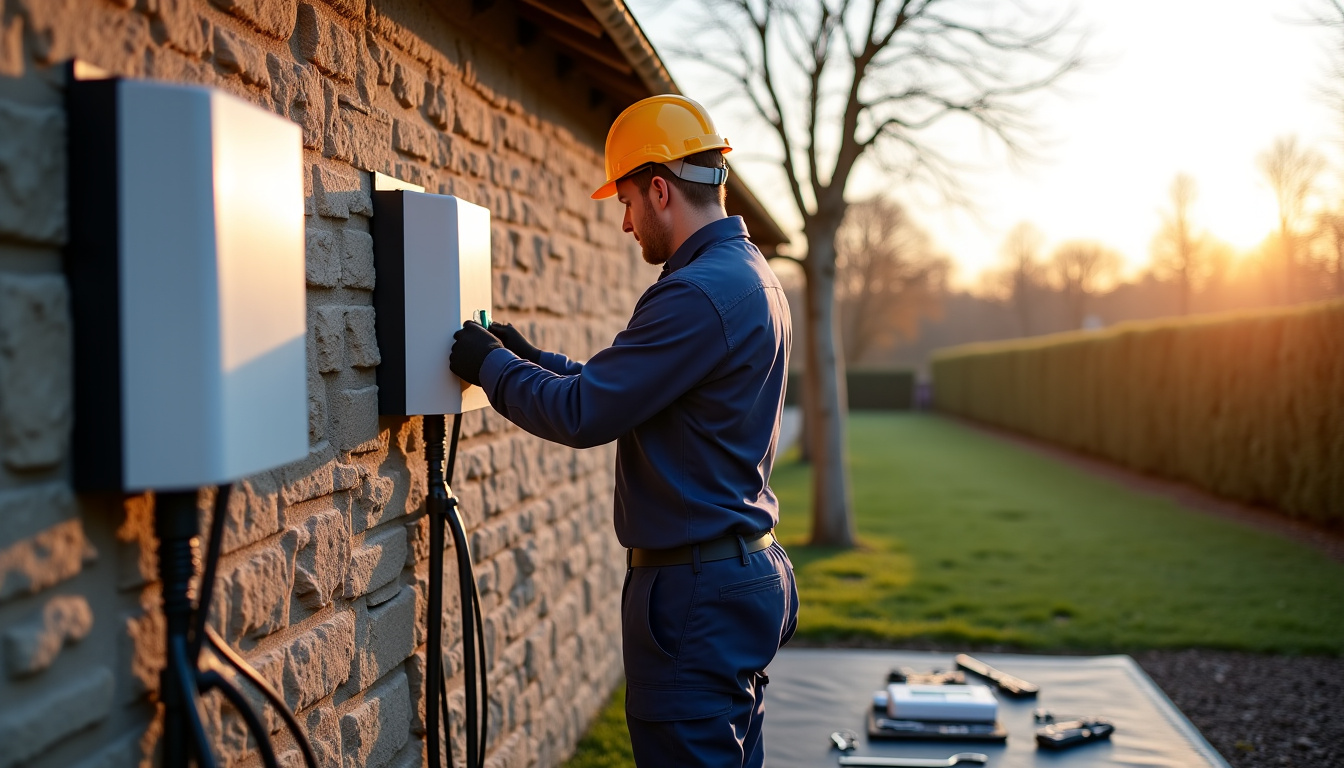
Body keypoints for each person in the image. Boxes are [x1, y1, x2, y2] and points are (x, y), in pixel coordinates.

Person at [448, 94, 798, 768]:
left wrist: (487, 367)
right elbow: (628, 388)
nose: (624, 223)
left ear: (660, 189)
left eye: (626, 202)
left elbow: (586, 414)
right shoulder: (748, 276)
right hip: (742, 572)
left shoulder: (695, 292)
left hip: (696, 595)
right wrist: (523, 356)